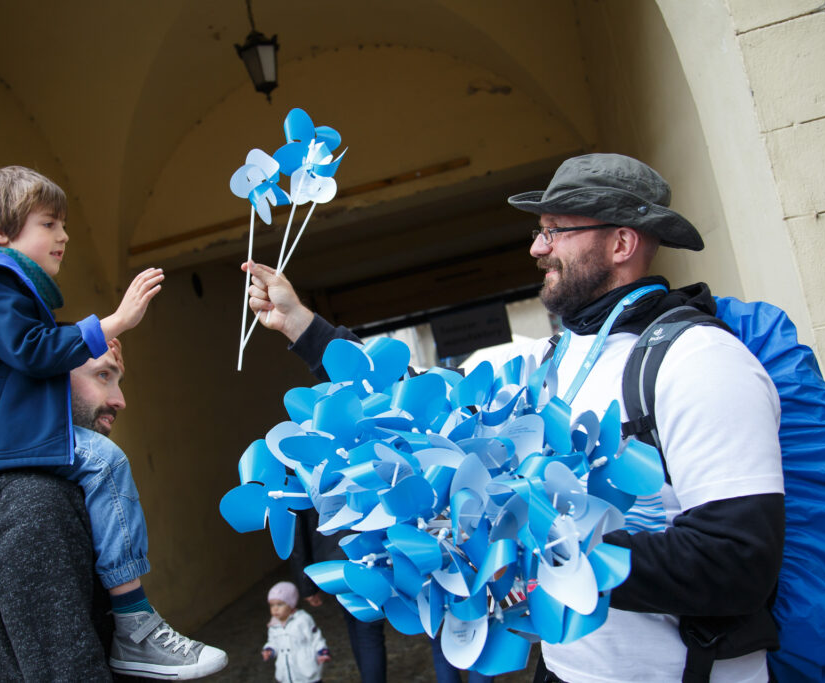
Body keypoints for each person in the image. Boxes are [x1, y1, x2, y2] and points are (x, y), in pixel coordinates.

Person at [243, 153, 784, 683]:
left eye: (555, 232)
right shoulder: (552, 359)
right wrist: (302, 326)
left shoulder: (699, 361)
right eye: (539, 231)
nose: (536, 248)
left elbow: (737, 562)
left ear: (621, 243)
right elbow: (418, 404)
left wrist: (539, 544)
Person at [0, 166, 225, 679]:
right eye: (48, 224)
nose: (63, 235)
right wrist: (114, 321)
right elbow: (34, 352)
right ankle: (135, 621)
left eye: (63, 225)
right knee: (104, 461)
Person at [290, 509, 387, 683]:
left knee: (355, 625)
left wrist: (307, 585)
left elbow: (296, 529)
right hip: (367, 555)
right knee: (368, 631)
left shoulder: (306, 489)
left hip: (333, 564)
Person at [262, 581, 330, 683]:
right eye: (272, 605)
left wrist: (322, 651)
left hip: (306, 670)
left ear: (291, 604)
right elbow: (273, 641)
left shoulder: (302, 619)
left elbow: (315, 637)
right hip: (286, 672)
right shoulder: (273, 625)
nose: (275, 609)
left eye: (280, 604)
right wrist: (270, 649)